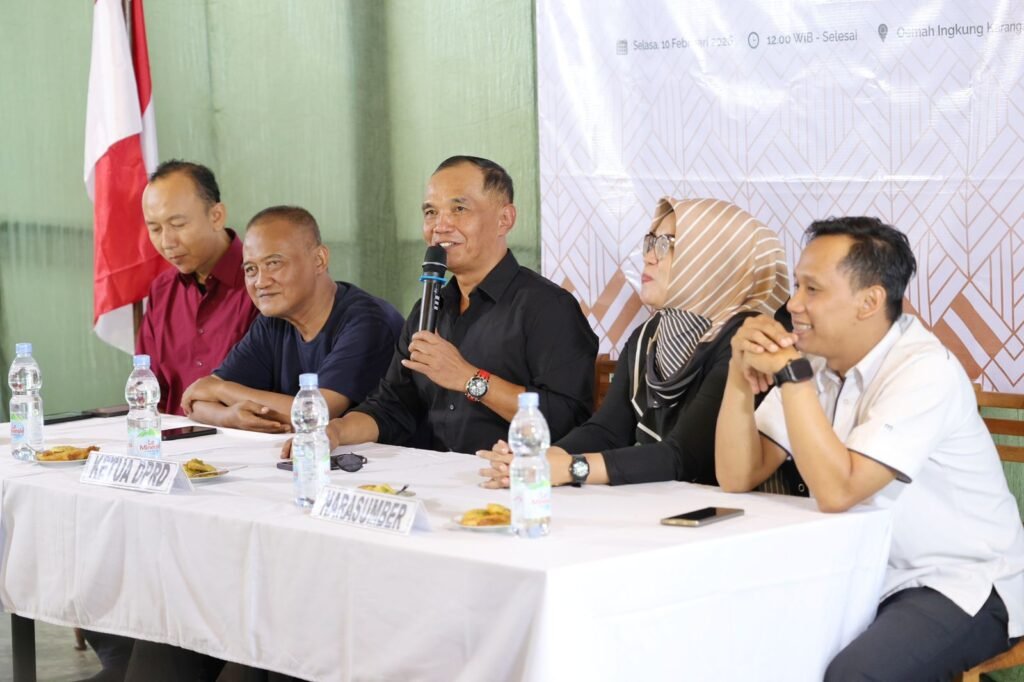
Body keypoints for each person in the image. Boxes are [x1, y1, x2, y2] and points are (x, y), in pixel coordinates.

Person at [715, 216, 1024, 679]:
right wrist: (740, 379)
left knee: (855, 675)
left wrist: (791, 375)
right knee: (740, 645)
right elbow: (738, 475)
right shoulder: (818, 362)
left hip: (959, 582)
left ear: (870, 301)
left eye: (812, 290)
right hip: (859, 573)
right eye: (796, 286)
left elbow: (840, 491)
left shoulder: (925, 370)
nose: (792, 304)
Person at [477, 197, 791, 489]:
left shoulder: (747, 340)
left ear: (715, 259)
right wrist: (539, 458)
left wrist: (570, 468)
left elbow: (682, 457)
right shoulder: (650, 335)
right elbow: (607, 430)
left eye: (667, 245)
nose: (649, 256)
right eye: (650, 243)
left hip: (737, 525)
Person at [310, 155, 598, 455]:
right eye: (431, 212)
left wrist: (470, 379)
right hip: (438, 480)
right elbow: (391, 407)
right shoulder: (429, 309)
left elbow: (569, 419)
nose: (440, 226)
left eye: (459, 209)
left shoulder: (548, 307)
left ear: (505, 219)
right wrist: (334, 431)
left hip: (516, 482)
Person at [180, 206, 404, 431]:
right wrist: (230, 416)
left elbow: (316, 413)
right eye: (250, 269)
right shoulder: (272, 322)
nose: (260, 281)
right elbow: (197, 402)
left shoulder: (368, 322)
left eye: (273, 264)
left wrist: (222, 391)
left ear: (319, 260)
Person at [136, 160, 259, 415]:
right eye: (155, 229)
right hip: (173, 446)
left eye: (178, 225)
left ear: (216, 216)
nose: (167, 242)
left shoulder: (263, 284)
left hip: (247, 443)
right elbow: (148, 390)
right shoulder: (162, 290)